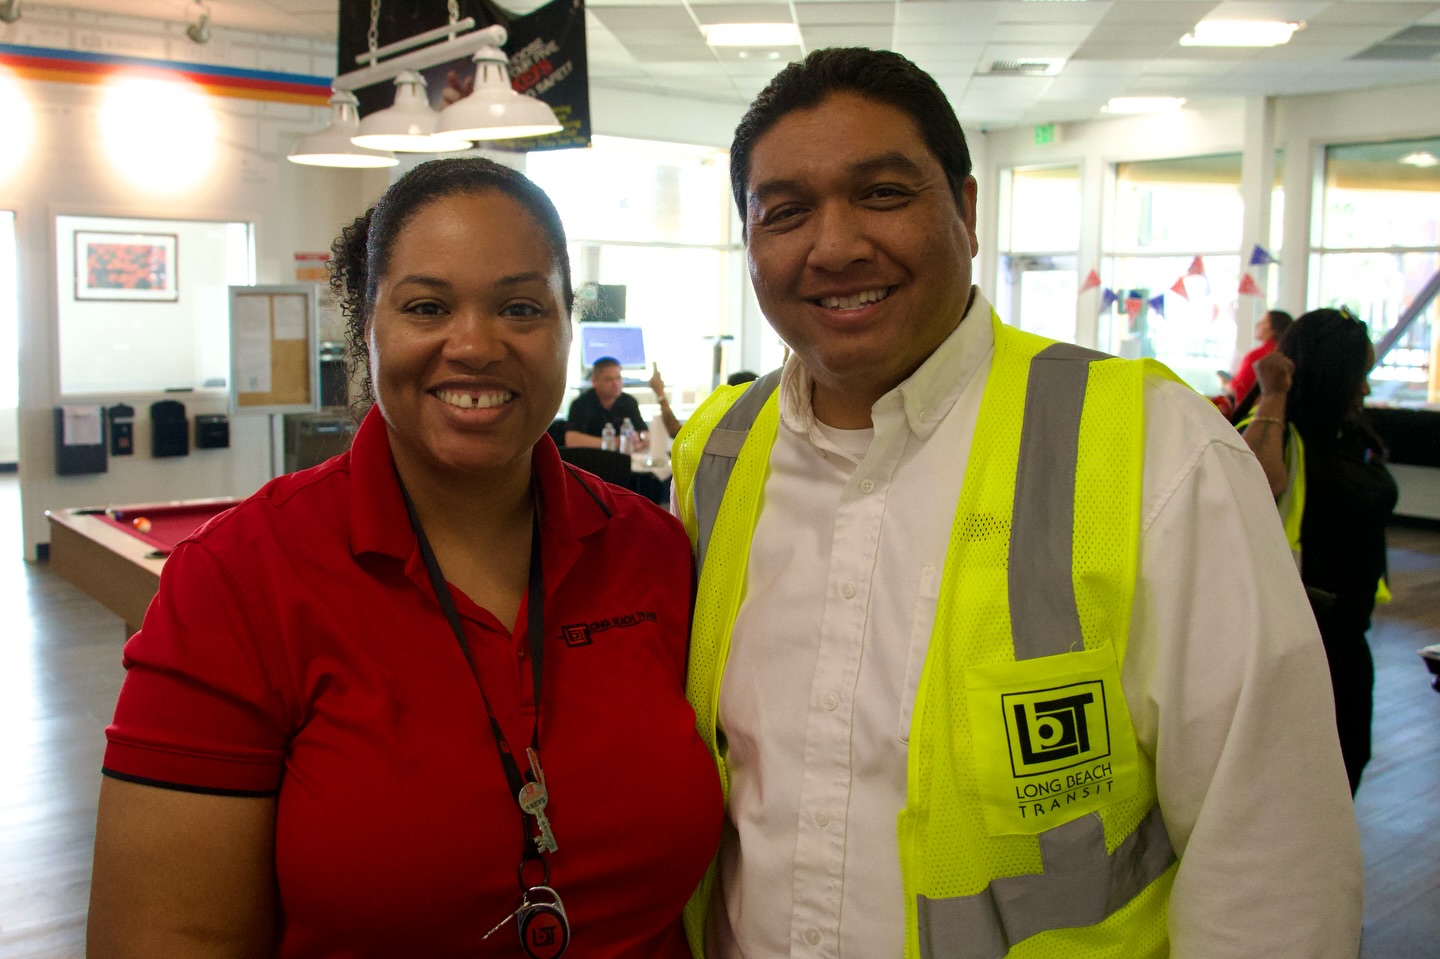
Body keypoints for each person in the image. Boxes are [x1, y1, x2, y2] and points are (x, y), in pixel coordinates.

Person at [670, 47, 1362, 959]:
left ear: (965, 210)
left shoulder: (1154, 447)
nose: (834, 246)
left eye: (882, 193)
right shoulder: (715, 453)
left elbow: (1273, 862)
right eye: (786, 212)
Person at [87, 157, 722, 958]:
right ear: (367, 328)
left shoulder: (653, 553)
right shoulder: (239, 578)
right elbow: (167, 935)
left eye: (521, 307)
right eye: (427, 306)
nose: (475, 344)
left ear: (569, 327)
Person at [1234, 309, 1398, 793]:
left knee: (1348, 762)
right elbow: (1258, 483)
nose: (1363, 389)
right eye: (1356, 376)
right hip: (1303, 633)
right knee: (1306, 779)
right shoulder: (1277, 430)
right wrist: (1273, 393)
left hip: (1347, 632)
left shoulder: (1345, 434)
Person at [563, 356, 650, 448]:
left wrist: (639, 438)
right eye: (608, 379)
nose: (615, 383)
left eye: (618, 378)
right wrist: (613, 443)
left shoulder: (629, 402)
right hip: (591, 455)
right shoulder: (581, 404)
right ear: (594, 381)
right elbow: (571, 440)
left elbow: (646, 434)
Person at [1228, 307, 1294, 408]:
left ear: (1273, 329)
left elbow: (1239, 389)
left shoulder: (1257, 356)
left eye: (1263, 322)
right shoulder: (1290, 354)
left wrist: (1225, 385)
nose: (1257, 324)